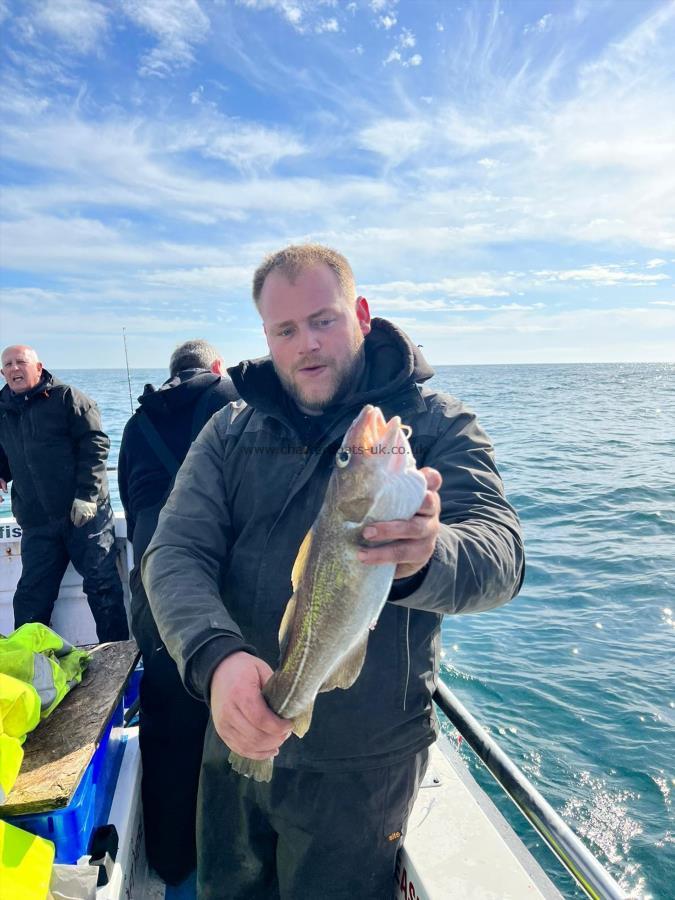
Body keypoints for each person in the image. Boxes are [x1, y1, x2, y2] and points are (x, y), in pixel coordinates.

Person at [142, 245, 525, 899]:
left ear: (362, 315)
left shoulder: (436, 427)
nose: (306, 345)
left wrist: (426, 557)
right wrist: (216, 657)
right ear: (265, 335)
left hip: (362, 767)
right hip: (235, 723)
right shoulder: (228, 431)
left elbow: (501, 558)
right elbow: (173, 554)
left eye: (323, 319)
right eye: (285, 330)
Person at [117, 339, 238, 888]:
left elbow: (126, 490)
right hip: (218, 566)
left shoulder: (137, 421)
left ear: (170, 373)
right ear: (215, 366)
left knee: (166, 714)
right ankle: (229, 856)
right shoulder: (235, 399)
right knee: (229, 710)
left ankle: (169, 859)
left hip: (152, 571)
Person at [0, 345, 128, 642]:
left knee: (102, 586)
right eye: (8, 364)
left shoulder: (68, 398)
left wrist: (87, 495)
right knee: (31, 597)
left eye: (21, 362)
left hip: (85, 515)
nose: (15, 368)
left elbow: (96, 444)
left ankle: (117, 659)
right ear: (3, 372)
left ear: (39, 367)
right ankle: (35, 666)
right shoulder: (2, 409)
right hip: (37, 520)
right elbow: (4, 451)